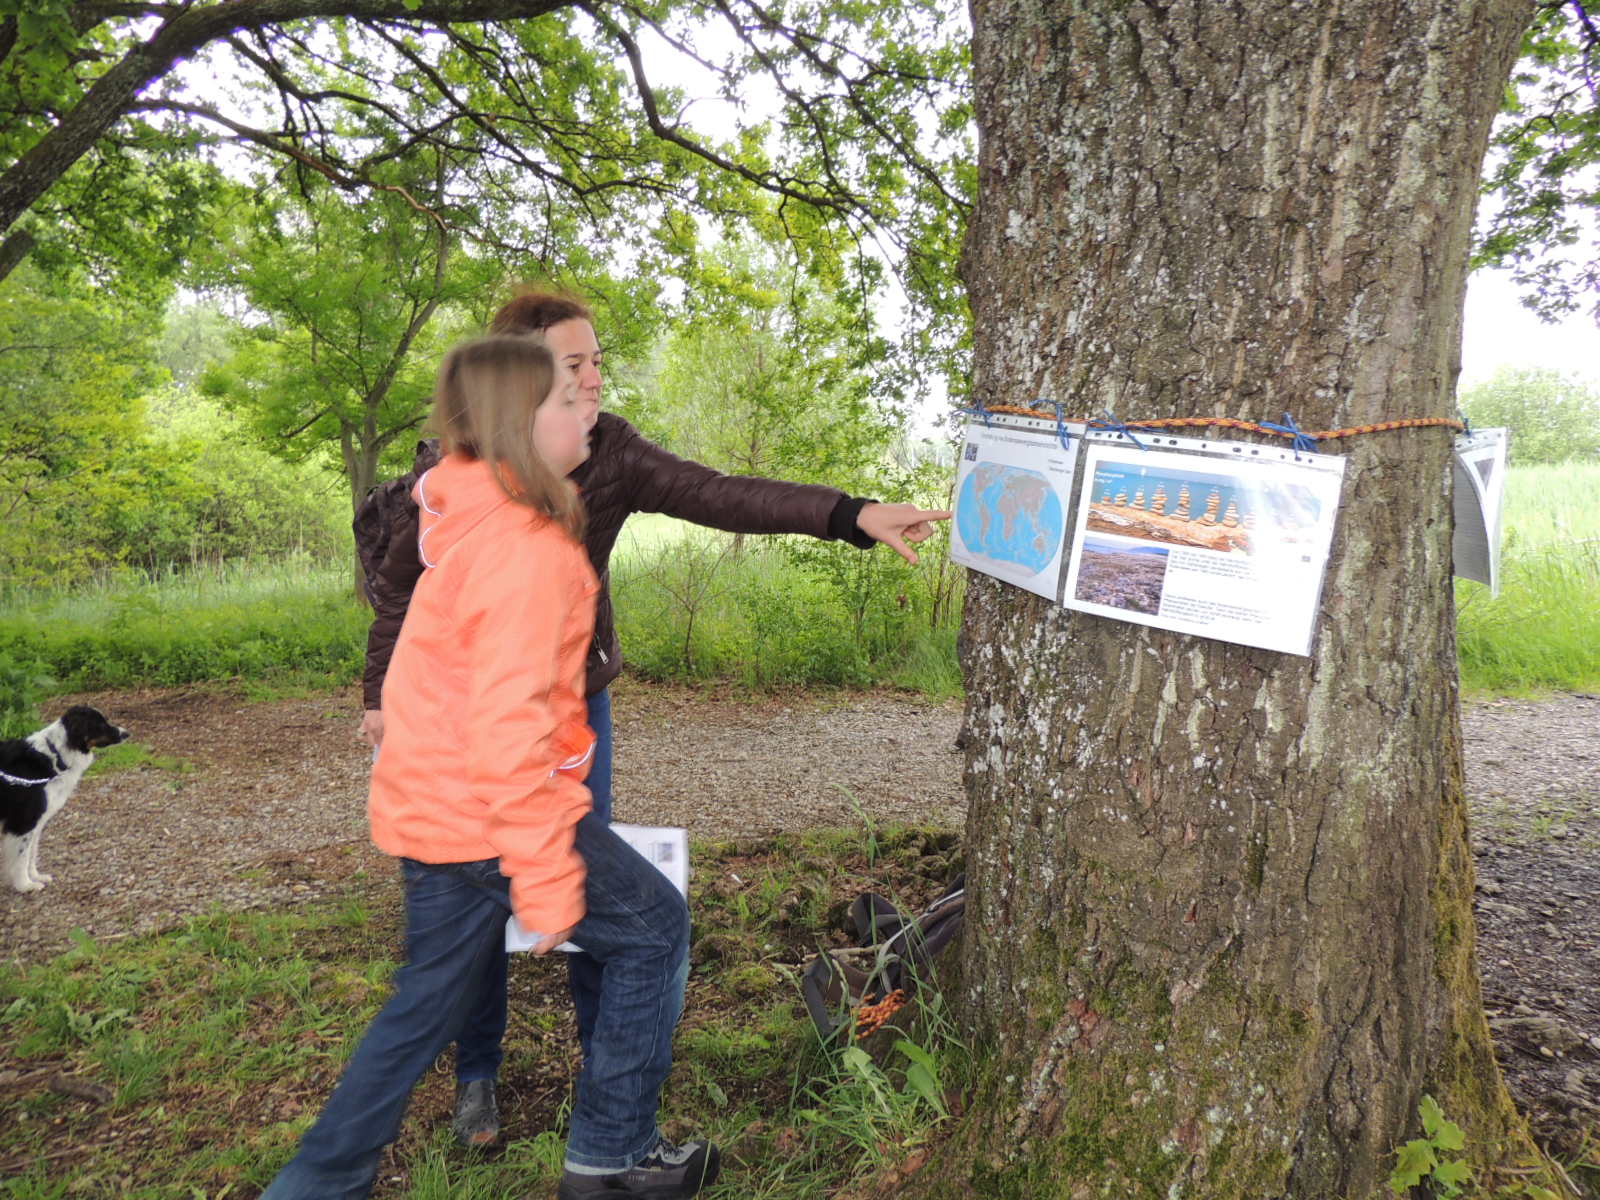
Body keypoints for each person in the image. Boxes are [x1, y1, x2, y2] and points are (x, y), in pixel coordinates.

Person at [360, 289, 951, 1148]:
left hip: (571, 708)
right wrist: (379, 697)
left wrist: (850, 516)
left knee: (600, 890)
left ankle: (606, 1065)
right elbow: (399, 593)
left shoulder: (611, 451)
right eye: (574, 365)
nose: (595, 378)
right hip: (459, 725)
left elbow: (720, 495)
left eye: (598, 360)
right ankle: (477, 1075)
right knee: (474, 899)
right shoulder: (462, 467)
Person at [265, 335, 718, 1200]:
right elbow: (510, 730)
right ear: (519, 426)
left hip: (434, 806)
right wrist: (544, 877)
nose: (587, 408)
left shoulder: (469, 514)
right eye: (565, 399)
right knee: (655, 929)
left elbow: (443, 677)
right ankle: (613, 1158)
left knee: (424, 1004)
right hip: (483, 812)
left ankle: (316, 1183)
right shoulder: (526, 549)